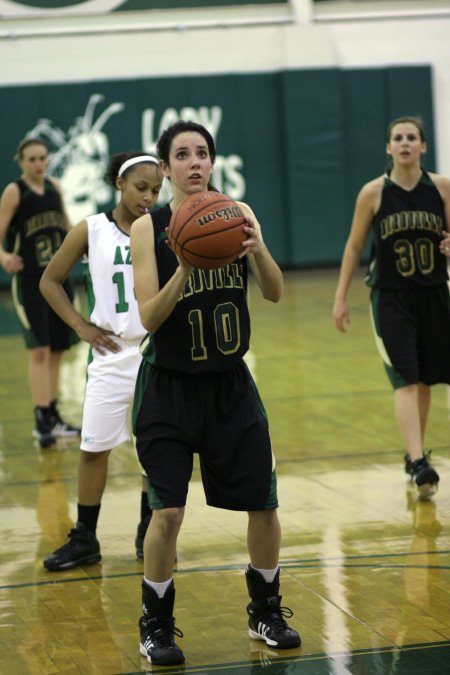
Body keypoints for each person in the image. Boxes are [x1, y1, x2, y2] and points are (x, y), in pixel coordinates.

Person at [130, 120, 301, 666]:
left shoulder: (237, 215)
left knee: (264, 504)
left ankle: (266, 610)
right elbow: (150, 317)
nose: (195, 163)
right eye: (182, 155)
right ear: (165, 168)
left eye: (202, 153)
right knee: (169, 514)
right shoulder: (148, 228)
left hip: (230, 386)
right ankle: (155, 623)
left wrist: (258, 246)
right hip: (168, 389)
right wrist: (183, 265)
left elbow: (274, 292)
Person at [39, 152, 163, 570]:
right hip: (109, 354)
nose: (148, 197)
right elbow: (50, 280)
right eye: (140, 188)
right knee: (94, 447)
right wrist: (80, 325)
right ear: (118, 184)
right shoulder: (91, 229)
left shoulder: (162, 228)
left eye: (156, 190)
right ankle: (85, 537)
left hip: (153, 352)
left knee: (154, 448)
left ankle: (149, 530)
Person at [332, 116, 450, 499]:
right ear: (388, 147)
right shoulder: (373, 193)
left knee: (426, 379)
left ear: (423, 146)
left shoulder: (443, 188)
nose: (404, 143)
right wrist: (340, 297)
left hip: (434, 294)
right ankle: (418, 463)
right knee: (406, 379)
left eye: (411, 137)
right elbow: (353, 246)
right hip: (391, 298)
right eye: (397, 138)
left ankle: (414, 453)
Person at [0, 137, 81, 448]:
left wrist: (84, 244)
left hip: (57, 279)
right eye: (32, 159)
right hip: (30, 281)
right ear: (21, 162)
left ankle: (53, 414)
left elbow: (67, 224)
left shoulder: (54, 187)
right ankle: (40, 421)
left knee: (58, 348)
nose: (38, 164)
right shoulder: (14, 192)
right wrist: (5, 257)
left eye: (42, 158)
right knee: (39, 350)